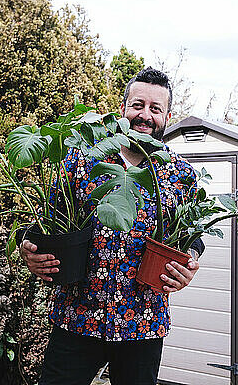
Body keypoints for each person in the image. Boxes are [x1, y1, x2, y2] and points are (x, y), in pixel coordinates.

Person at [21, 67, 203, 385]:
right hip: (78, 318)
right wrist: (29, 248)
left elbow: (192, 235)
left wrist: (191, 260)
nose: (145, 115)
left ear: (167, 116)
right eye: (137, 105)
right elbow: (43, 220)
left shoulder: (181, 175)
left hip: (143, 323)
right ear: (123, 110)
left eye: (155, 109)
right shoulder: (82, 161)